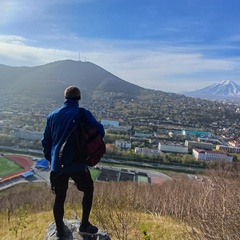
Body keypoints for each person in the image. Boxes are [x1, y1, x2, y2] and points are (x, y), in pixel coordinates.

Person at [41, 86, 105, 238]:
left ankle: (60, 230)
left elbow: (46, 141)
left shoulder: (52, 116)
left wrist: (52, 159)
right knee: (88, 190)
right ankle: (84, 225)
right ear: (78, 98)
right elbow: (100, 132)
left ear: (65, 97)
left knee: (59, 197)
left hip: (58, 165)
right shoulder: (83, 113)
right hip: (78, 163)